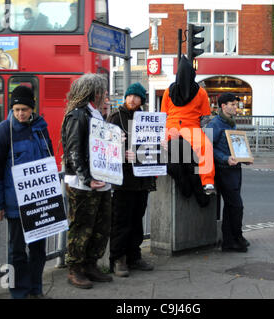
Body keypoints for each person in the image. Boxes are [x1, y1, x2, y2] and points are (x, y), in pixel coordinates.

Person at [0, 85, 53, 299]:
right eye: (16, 109)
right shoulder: (3, 132)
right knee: (16, 252)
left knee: (38, 251)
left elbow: (49, 162)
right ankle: (18, 293)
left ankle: (36, 289)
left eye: (24, 109)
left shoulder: (41, 129)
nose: (20, 114)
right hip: (15, 206)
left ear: (32, 108)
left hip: (39, 203)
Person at [61, 74, 113, 289]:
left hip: (101, 180)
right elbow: (73, 151)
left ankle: (90, 264)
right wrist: (87, 178)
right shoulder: (77, 116)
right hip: (83, 183)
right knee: (82, 226)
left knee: (101, 226)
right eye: (102, 90)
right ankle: (75, 269)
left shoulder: (95, 114)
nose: (105, 95)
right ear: (94, 92)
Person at [107, 82, 156, 277]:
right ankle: (118, 259)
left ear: (142, 100)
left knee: (137, 219)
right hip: (123, 179)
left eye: (136, 97)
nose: (132, 100)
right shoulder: (115, 117)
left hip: (142, 178)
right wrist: (121, 153)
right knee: (121, 220)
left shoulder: (146, 119)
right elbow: (105, 147)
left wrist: (159, 144)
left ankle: (134, 256)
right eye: (130, 96)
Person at [161, 56, 215, 195]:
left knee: (158, 147)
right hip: (191, 127)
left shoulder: (168, 91)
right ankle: (207, 181)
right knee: (205, 147)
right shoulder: (201, 92)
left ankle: (153, 176)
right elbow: (205, 117)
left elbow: (163, 114)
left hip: (171, 125)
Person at [205, 93, 251, 253]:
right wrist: (225, 158)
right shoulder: (215, 124)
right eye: (232, 104)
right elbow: (207, 147)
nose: (235, 107)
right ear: (223, 106)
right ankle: (235, 238)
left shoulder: (231, 124)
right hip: (223, 171)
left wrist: (244, 158)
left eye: (235, 104)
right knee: (236, 205)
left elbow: (235, 146)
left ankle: (232, 239)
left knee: (231, 207)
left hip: (235, 170)